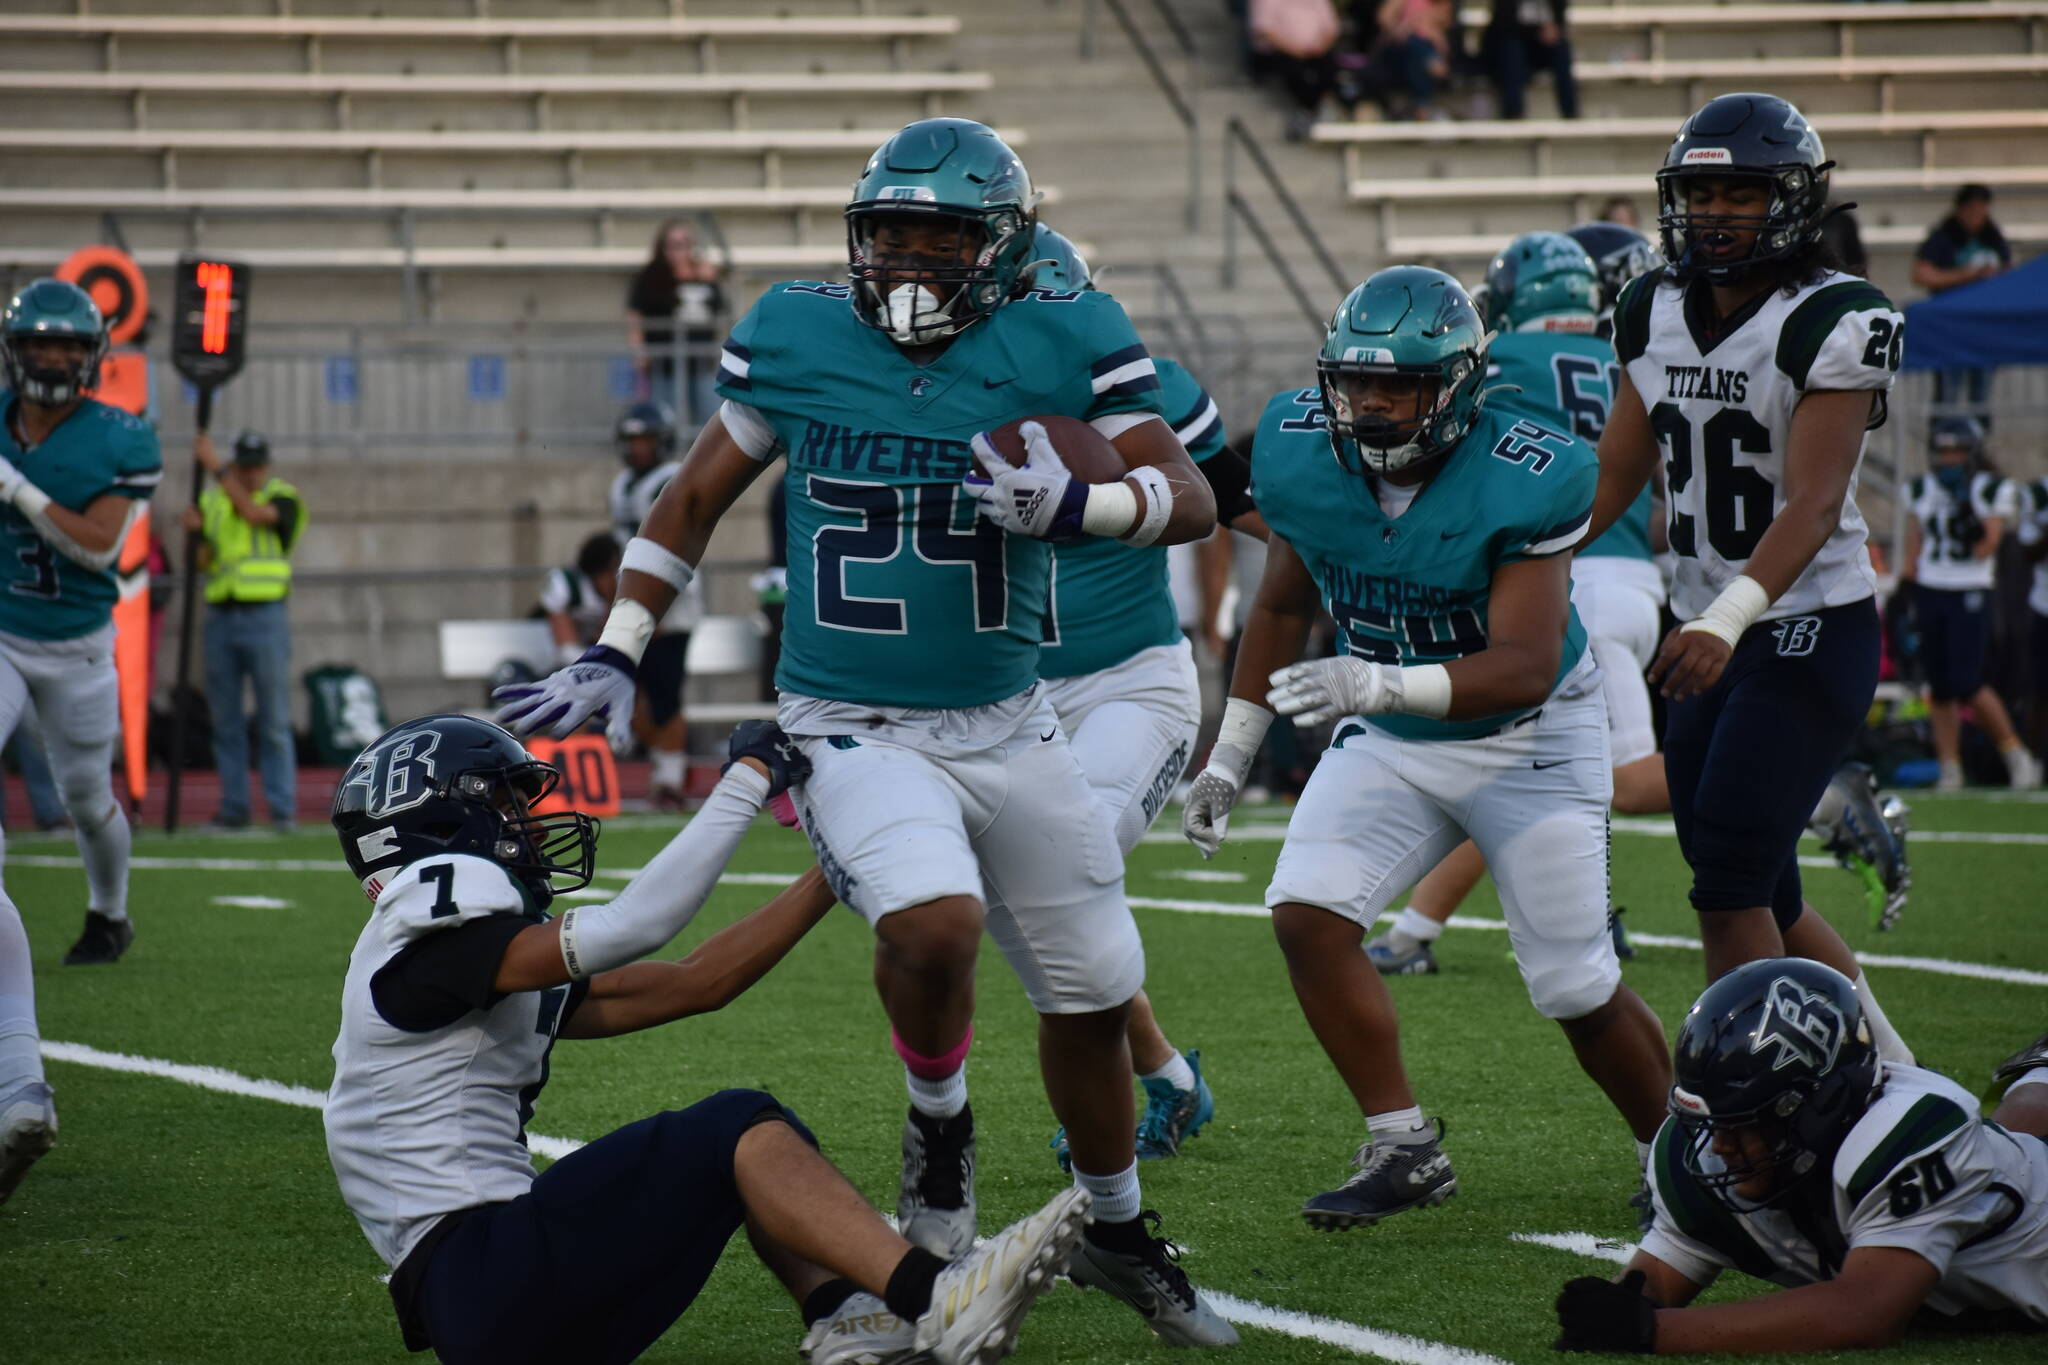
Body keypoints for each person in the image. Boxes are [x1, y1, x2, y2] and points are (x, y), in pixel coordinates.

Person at [496, 119, 1236, 1347]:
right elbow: (691, 497)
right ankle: (936, 1128)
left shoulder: (1068, 332)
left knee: (1095, 993)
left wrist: (1086, 502)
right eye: (886, 233)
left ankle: (1113, 1228)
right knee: (933, 920)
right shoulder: (794, 331)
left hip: (1012, 719)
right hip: (847, 721)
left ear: (1001, 248)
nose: (905, 261)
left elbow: (1195, 495)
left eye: (938, 237)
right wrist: (617, 646)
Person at [324, 713, 1090, 1365]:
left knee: (759, 1126)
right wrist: (749, 775)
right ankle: (938, 1297)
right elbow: (634, 926)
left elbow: (698, 981)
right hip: (482, 1272)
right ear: (440, 822)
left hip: (496, 1298)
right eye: (506, 801)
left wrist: (862, 851)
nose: (527, 821)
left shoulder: (456, 965)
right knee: (731, 1130)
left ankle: (845, 1325)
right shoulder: (426, 935)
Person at [1183, 265, 1673, 1227]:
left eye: (1398, 385)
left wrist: (1379, 681)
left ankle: (1676, 1153)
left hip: (1531, 737)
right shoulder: (1301, 449)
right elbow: (1281, 603)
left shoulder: (1527, 469)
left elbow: (1527, 662)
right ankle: (1402, 1142)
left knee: (1576, 984)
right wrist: (1231, 752)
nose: (1370, 404)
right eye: (1357, 382)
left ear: (1456, 386)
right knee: (1306, 912)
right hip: (1396, 733)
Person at [1581, 94, 1919, 1032]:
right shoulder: (1648, 307)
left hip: (1803, 625)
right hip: (1704, 628)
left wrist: (1726, 618)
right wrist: (1532, 552)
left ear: (1797, 200)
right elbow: (1617, 470)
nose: (1718, 210)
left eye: (1742, 191)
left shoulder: (1835, 317)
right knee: (1761, 887)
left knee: (1727, 882)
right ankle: (1887, 1070)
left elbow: (1812, 503)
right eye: (1701, 190)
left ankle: (1739, 1124)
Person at [1027, 227, 1264, 1170]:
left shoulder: (1145, 383)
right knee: (1039, 898)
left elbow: (1245, 508)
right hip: (1008, 693)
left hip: (1131, 680)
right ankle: (1166, 1078)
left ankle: (1130, 1103)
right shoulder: (953, 397)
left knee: (1063, 865)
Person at [1366, 233, 1662, 975]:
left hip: (1565, 581)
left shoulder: (1499, 363)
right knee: (1500, 758)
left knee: (1625, 781)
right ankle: (1415, 933)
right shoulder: (1629, 364)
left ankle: (1812, 793)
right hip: (1633, 575)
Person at [1555, 957, 2048, 1353]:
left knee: (2018, 1149)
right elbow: (1657, 1279)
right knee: (2011, 1141)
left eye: (1745, 1124)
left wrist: (1654, 1333)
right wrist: (1621, 1304)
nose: (1720, 1147)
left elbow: (1866, 1311)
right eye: (1713, 1123)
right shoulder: (1706, 1157)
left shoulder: (1907, 1133)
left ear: (1821, 1106)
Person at [0, 278, 160, 1201]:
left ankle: (109, 909)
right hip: (0, 632)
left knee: (85, 798)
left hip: (76, 643)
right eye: (42, 345)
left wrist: (14, 487)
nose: (56, 360)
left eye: (70, 346)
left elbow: (99, 546)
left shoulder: (120, 435)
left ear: (92, 354)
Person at [1900, 417, 2039, 788]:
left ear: (1972, 453)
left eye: (1957, 451)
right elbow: (1914, 551)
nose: (1949, 459)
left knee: (1968, 680)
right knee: (1939, 686)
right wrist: (1904, 594)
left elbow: (1987, 547)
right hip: (1931, 588)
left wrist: (1969, 517)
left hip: (1970, 588)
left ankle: (2016, 754)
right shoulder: (1921, 489)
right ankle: (1950, 767)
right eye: (1943, 451)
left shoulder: (1989, 489)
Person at [186, 429, 304, 832]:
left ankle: (282, 808)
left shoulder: (283, 496)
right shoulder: (212, 500)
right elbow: (201, 561)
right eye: (245, 466)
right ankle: (234, 808)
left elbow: (257, 515)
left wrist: (216, 468)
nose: (252, 474)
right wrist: (192, 531)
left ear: (266, 466)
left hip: (265, 616)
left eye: (257, 466)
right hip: (220, 615)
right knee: (226, 721)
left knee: (273, 719)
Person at [609, 401, 700, 808]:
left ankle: (669, 779)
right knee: (636, 694)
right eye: (633, 440)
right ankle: (663, 771)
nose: (638, 449)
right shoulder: (622, 484)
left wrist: (659, 603)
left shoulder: (670, 478)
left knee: (666, 696)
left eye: (645, 440)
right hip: (635, 596)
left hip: (673, 601)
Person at [1912, 185, 2010, 425]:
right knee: (1948, 393)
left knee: (1981, 394)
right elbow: (1922, 274)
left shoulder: (1993, 237)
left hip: (1984, 328)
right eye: (1971, 209)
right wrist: (1968, 275)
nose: (1976, 215)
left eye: (1981, 209)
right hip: (1950, 328)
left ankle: (1977, 447)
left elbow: (2007, 272)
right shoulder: (1943, 238)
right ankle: (1943, 446)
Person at [626, 219, 727, 426]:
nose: (678, 251)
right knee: (667, 417)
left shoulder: (704, 275)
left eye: (684, 244)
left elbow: (720, 311)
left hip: (700, 359)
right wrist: (640, 351)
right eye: (672, 245)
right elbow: (636, 315)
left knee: (709, 417)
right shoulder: (651, 276)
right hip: (665, 361)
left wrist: (710, 279)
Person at [1485, 0, 1578, 120]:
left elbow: (1560, 17)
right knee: (1512, 49)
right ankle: (1514, 112)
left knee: (1562, 48)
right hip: (1511, 46)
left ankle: (1571, 112)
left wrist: (1554, 30)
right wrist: (1537, 31)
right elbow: (1504, 25)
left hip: (1540, 48)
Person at [539, 532, 621, 665]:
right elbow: (566, 649)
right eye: (610, 570)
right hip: (562, 662)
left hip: (597, 657)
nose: (614, 577)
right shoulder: (567, 584)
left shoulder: (620, 585)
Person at [2014, 468, 2048, 761]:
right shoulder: (2038, 494)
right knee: (2040, 687)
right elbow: (2027, 552)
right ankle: (2036, 760)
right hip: (2043, 602)